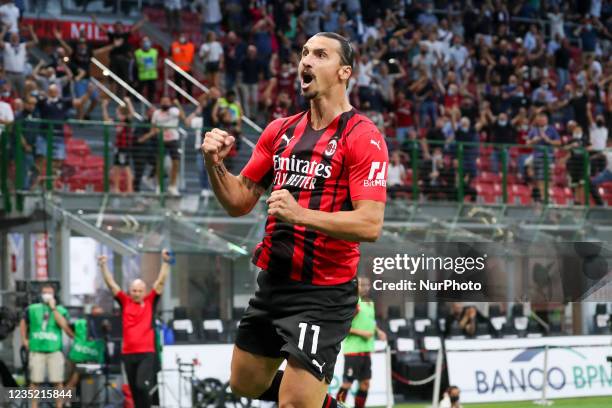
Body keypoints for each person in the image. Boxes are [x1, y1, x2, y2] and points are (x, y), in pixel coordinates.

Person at [202, 32, 388, 408]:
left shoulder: (363, 137)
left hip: (324, 291)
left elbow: (370, 225)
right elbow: (238, 201)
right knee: (244, 383)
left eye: (320, 55)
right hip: (274, 281)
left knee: (292, 404)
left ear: (343, 72)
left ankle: (307, 396)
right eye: (304, 53)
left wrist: (300, 214)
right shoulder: (279, 131)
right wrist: (213, 163)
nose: (306, 61)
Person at [98, 249, 172, 408]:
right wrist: (103, 266)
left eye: (139, 291)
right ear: (130, 291)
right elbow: (111, 284)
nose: (137, 293)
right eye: (134, 290)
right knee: (134, 390)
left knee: (141, 386)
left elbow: (160, 282)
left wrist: (165, 263)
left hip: (146, 353)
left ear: (144, 291)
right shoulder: (125, 302)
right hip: (128, 353)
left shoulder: (150, 301)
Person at [19, 284, 74, 408]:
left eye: (49, 292)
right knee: (35, 381)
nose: (47, 295)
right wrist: (24, 340)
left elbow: (65, 327)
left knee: (58, 381)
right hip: (36, 349)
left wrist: (53, 309)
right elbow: (23, 322)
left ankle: (59, 406)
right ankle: (34, 406)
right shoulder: (32, 308)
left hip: (54, 350)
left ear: (54, 295)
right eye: (45, 292)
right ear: (41, 294)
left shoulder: (61, 310)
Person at [336, 277, 387, 408]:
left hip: (366, 350)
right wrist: (362, 333)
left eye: (368, 285)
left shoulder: (369, 303)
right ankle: (337, 406)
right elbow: (342, 324)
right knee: (347, 383)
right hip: (353, 350)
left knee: (365, 384)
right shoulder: (353, 302)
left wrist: (378, 331)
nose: (365, 287)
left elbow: (369, 321)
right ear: (356, 286)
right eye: (362, 285)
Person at [101, 96, 137, 193]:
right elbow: (106, 120)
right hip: (118, 148)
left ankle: (130, 189)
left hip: (124, 148)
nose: (117, 114)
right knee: (116, 167)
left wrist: (128, 102)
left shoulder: (127, 121)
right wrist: (104, 107)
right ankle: (116, 188)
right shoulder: (119, 122)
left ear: (123, 113)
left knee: (126, 168)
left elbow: (132, 113)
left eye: (118, 112)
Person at [151, 96, 185, 195]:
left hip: (173, 139)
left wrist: (178, 104)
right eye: (163, 101)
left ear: (170, 103)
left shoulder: (174, 110)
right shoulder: (156, 113)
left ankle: (172, 186)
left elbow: (183, 118)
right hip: (161, 140)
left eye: (167, 101)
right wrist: (159, 131)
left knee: (176, 162)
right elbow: (153, 127)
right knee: (159, 163)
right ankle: (158, 186)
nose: (165, 103)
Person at [0, 24, 38, 97]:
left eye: (16, 37)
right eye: (13, 37)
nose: (15, 38)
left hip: (21, 74)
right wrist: (4, 30)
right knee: (9, 94)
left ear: (19, 38)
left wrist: (31, 31)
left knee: (22, 94)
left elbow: (35, 41)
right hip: (9, 74)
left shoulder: (22, 46)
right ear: (10, 38)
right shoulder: (7, 46)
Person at [170, 34, 195, 100]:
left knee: (189, 86)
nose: (182, 38)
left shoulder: (191, 46)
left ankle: (189, 100)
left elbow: (193, 58)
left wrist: (193, 67)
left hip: (188, 69)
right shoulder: (174, 45)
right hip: (177, 69)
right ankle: (179, 100)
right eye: (181, 36)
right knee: (178, 87)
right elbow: (170, 56)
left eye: (184, 37)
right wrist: (172, 66)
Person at [134, 36, 158, 101]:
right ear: (141, 43)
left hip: (152, 75)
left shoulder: (154, 52)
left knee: (151, 92)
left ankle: (151, 104)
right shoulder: (137, 52)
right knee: (138, 91)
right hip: (142, 75)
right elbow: (135, 65)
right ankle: (137, 104)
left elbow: (157, 62)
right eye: (144, 41)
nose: (146, 43)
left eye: (147, 41)